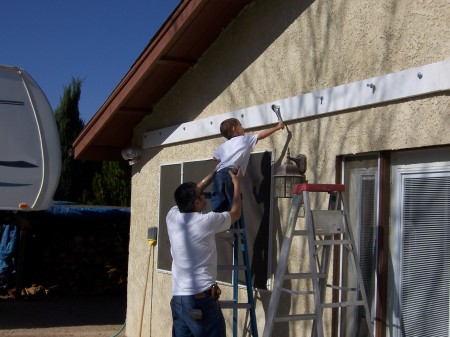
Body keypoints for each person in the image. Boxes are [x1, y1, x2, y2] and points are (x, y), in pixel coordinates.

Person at [167, 167, 243, 337]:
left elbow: (191, 193)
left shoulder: (171, 217)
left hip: (179, 300)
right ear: (196, 203)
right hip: (199, 300)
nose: (204, 197)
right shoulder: (206, 221)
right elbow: (236, 213)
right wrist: (237, 185)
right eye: (201, 196)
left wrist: (214, 173)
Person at [211, 118, 284, 212]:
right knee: (231, 204)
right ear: (234, 129)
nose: (243, 128)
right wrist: (277, 127)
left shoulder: (223, 146)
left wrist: (227, 159)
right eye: (240, 125)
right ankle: (229, 223)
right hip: (230, 174)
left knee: (219, 200)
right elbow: (261, 135)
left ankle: (216, 219)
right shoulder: (244, 140)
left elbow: (215, 158)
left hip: (219, 174)